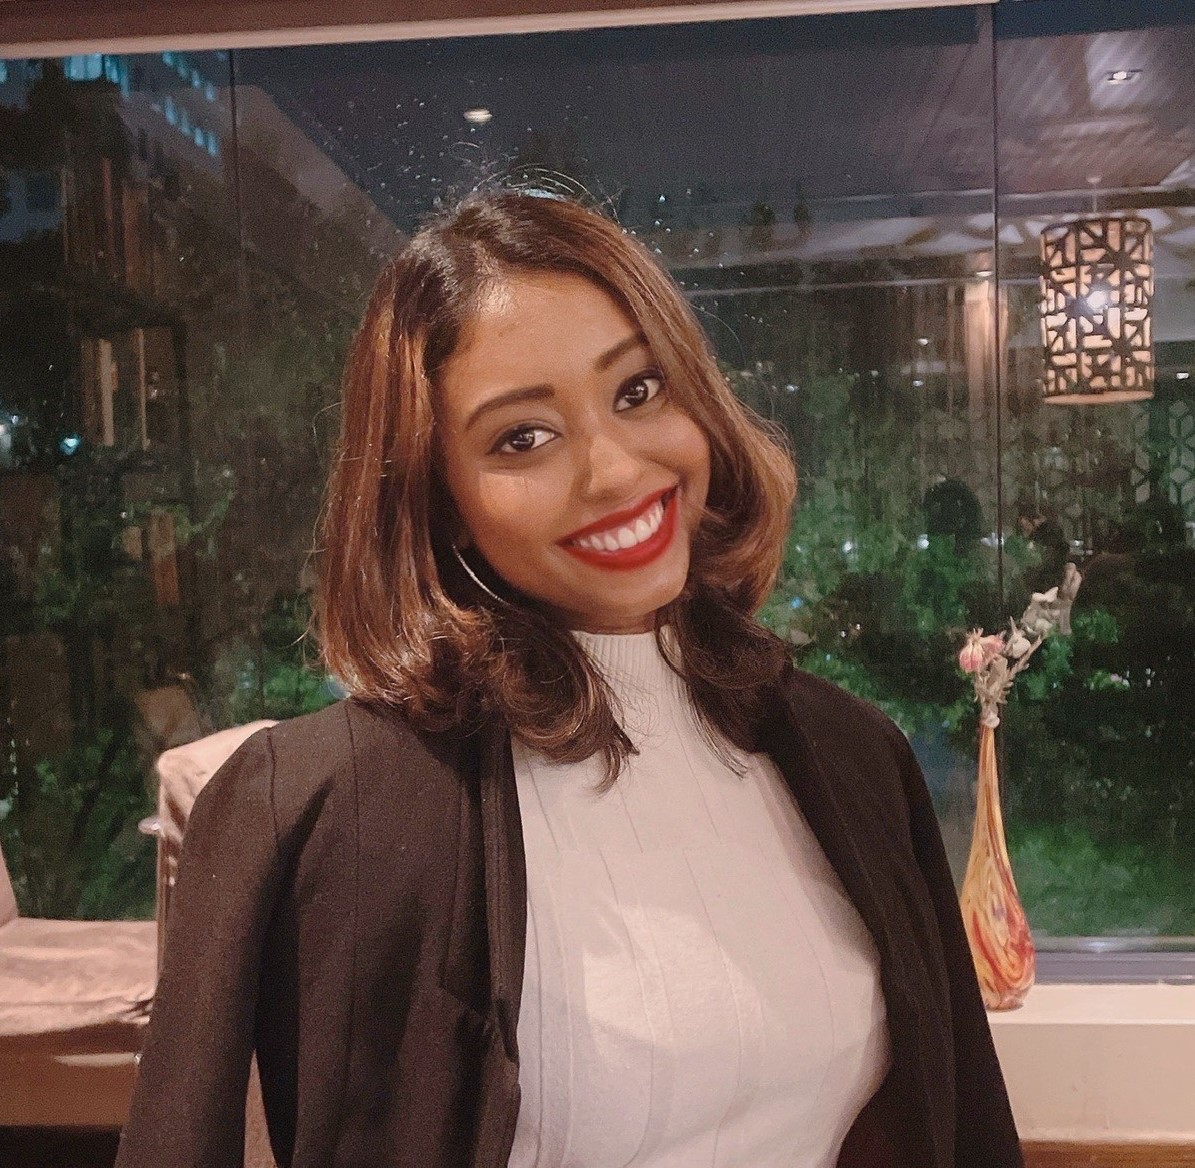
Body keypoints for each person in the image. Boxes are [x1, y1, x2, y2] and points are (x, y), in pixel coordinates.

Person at [115, 190, 1022, 1168]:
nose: (614, 470)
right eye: (522, 437)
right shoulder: (319, 811)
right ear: (440, 499)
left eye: (638, 391)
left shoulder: (853, 754)